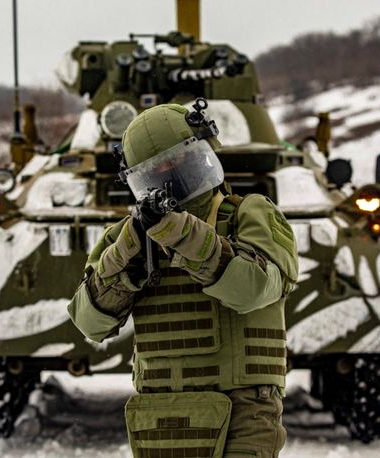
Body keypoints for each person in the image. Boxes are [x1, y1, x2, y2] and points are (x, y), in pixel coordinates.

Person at [68, 100, 298, 458]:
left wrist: (182, 235)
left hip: (241, 410)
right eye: (156, 173)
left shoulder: (250, 214)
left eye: (180, 164)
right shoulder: (127, 236)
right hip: (159, 415)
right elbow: (88, 322)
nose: (172, 179)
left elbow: (253, 289)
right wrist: (124, 258)